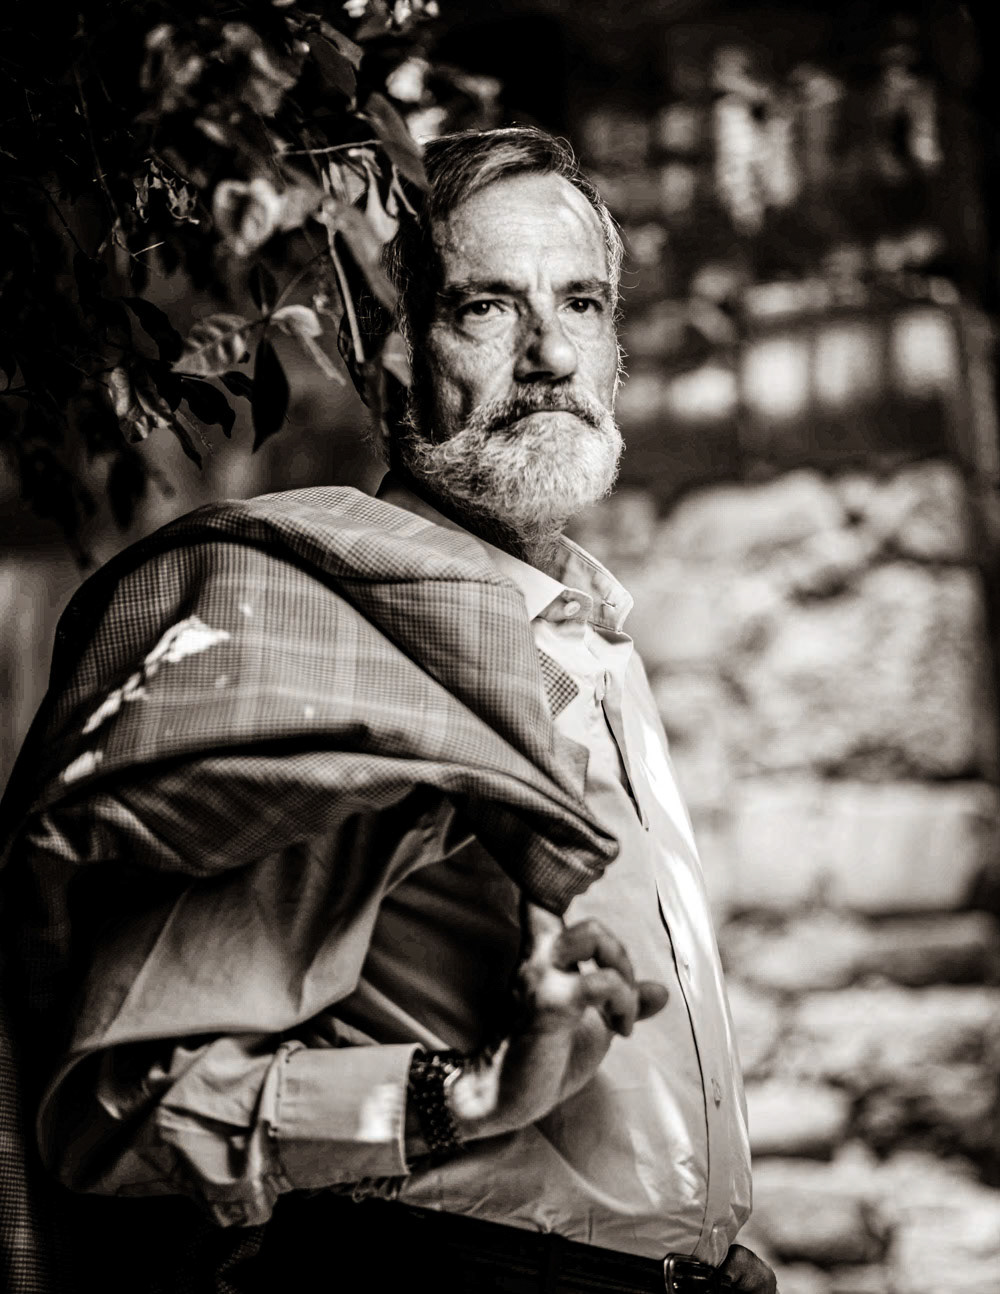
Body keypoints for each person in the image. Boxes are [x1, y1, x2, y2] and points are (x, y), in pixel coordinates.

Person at [0, 127, 776, 1294]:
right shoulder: (325, 628)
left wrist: (699, 1246)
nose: (550, 353)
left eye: (581, 302)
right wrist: (467, 1091)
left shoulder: (592, 634)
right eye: (485, 307)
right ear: (389, 354)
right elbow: (123, 1112)